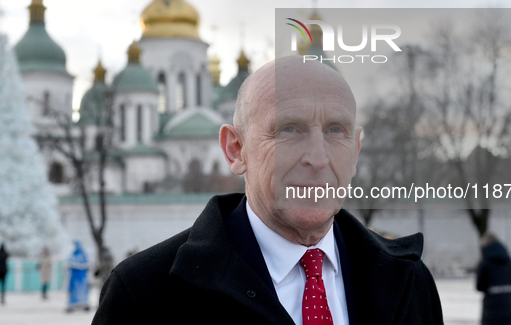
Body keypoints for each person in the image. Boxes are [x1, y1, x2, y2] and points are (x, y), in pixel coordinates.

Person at [92, 57, 443, 324]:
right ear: (236, 149)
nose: (318, 158)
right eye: (289, 129)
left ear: (356, 151)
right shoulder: (143, 295)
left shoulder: (408, 281)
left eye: (336, 130)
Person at [476, 233, 511, 325]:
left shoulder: (485, 262)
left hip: (492, 305)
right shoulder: (509, 260)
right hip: (508, 302)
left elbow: (479, 286)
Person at [66, 240, 91, 312]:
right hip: (75, 277)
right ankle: (73, 304)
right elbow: (68, 263)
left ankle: (83, 303)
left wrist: (78, 266)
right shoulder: (73, 253)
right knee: (74, 291)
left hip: (81, 277)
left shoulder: (82, 253)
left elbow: (87, 264)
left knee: (81, 290)